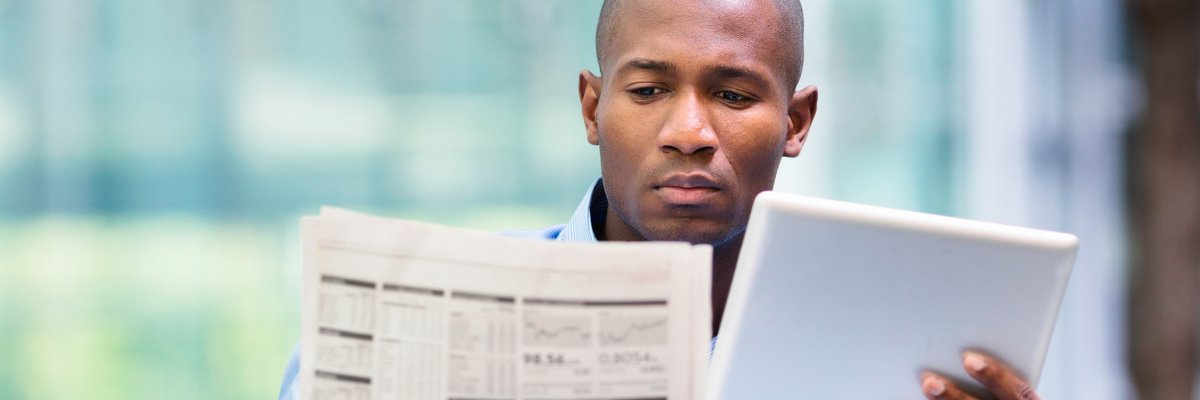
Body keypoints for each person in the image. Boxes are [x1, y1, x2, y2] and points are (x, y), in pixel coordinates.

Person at [279, 1, 1043, 399]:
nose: (689, 133)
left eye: (733, 95)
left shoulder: (905, 353)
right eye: (647, 90)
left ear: (796, 122)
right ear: (592, 108)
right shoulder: (410, 325)